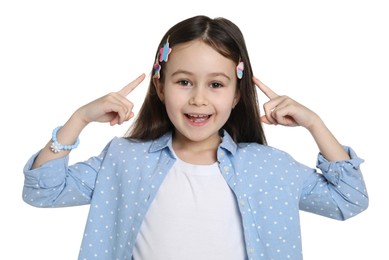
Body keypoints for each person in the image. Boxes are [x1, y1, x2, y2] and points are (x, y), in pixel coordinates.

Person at [22, 15, 368, 260]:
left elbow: (348, 200)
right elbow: (43, 192)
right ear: (160, 86)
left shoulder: (270, 167)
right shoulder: (125, 158)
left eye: (216, 84)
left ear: (236, 95)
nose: (199, 99)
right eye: (184, 81)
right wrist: (79, 119)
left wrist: (315, 124)